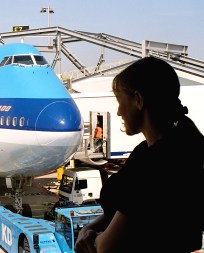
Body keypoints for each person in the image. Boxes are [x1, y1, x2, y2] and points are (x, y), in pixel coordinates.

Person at [74, 56, 204, 253]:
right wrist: (91, 228)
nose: (118, 111)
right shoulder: (153, 152)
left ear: (138, 100)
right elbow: (125, 210)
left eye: (119, 101)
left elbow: (108, 247)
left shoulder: (159, 165)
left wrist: (92, 238)